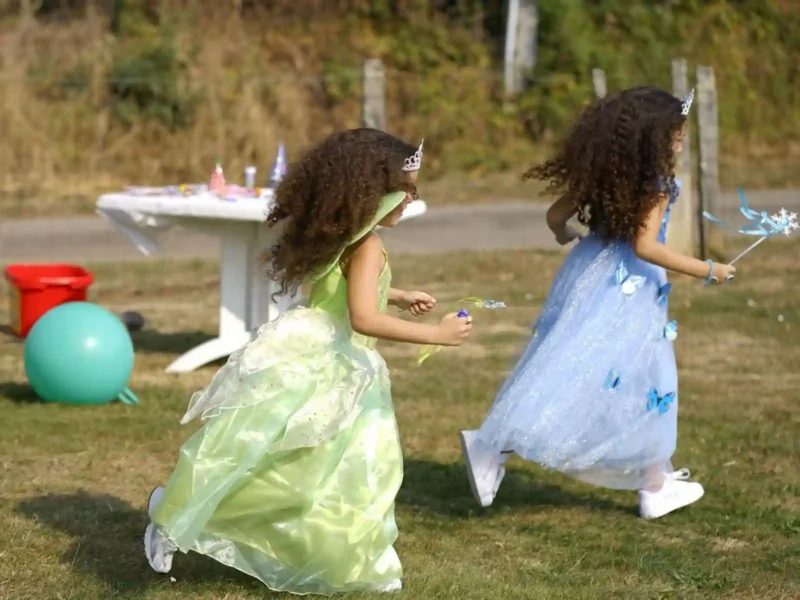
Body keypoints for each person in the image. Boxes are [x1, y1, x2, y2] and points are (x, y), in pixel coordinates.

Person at [143, 128, 473, 594]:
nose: (411, 199)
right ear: (374, 193)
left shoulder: (345, 234)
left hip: (318, 349)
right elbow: (361, 317)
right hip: (334, 362)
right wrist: (436, 335)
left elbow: (343, 288)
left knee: (311, 467)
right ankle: (173, 514)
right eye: (406, 188)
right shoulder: (369, 244)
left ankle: (358, 558)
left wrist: (393, 294)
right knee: (334, 465)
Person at [460, 86, 735, 520]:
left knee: (580, 363)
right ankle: (492, 443)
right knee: (638, 375)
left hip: (587, 271)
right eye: (676, 137)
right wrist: (707, 269)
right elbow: (644, 245)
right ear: (652, 140)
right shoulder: (657, 184)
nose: (680, 145)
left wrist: (567, 236)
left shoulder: (606, 172)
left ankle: (654, 481)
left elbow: (555, 216)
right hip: (629, 287)